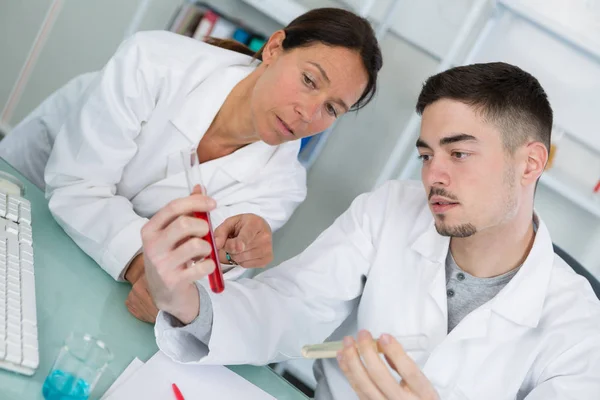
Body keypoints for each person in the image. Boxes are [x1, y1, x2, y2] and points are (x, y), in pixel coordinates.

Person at [142, 61, 600, 398]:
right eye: (426, 155)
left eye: (458, 154)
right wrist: (188, 304)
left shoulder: (580, 328)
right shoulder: (392, 209)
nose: (433, 175)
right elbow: (292, 306)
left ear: (530, 163)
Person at [0, 8, 383, 323]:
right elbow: (77, 186)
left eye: (332, 108)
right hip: (23, 194)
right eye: (308, 79)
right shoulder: (153, 60)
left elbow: (198, 277)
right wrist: (146, 270)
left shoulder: (281, 186)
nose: (308, 112)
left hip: (99, 275)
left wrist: (231, 255)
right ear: (275, 47)